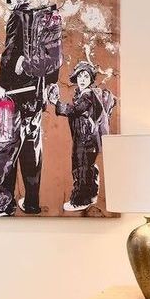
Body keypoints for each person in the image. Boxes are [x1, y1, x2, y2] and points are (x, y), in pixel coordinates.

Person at [0, 0, 58, 217]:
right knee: (31, 147)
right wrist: (49, 85)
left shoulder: (17, 17)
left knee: (5, 147)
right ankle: (32, 202)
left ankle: (4, 203)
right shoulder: (45, 17)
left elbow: (9, 53)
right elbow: (54, 58)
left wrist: (1, 85)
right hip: (35, 94)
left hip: (11, 93)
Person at [47, 61, 115, 212]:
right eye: (80, 76)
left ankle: (80, 200)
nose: (82, 79)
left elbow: (74, 110)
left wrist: (56, 102)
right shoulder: (84, 93)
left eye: (86, 76)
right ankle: (91, 195)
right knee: (87, 166)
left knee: (80, 167)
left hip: (86, 139)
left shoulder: (87, 95)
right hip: (87, 138)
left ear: (90, 79)